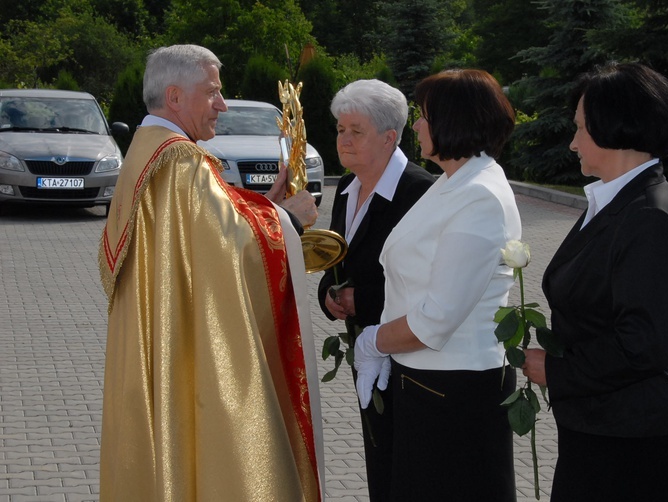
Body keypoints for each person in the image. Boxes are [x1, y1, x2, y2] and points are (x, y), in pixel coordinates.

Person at [97, 44, 323, 501]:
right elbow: (227, 251)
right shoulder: (180, 161)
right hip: (188, 353)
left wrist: (268, 209)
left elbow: (205, 237)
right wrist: (291, 222)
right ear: (175, 97)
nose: (222, 104)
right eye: (213, 92)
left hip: (163, 340)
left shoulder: (145, 152)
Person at [523, 62, 668, 502]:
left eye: (581, 128)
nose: (573, 142)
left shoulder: (649, 215)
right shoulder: (617, 199)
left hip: (634, 444)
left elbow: (643, 342)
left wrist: (558, 371)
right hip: (603, 431)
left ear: (614, 125)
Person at [353, 69, 521, 501]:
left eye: (424, 115)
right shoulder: (454, 181)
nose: (418, 125)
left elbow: (436, 320)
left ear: (454, 120)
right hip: (431, 386)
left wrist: (374, 341)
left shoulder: (479, 195)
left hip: (454, 393)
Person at [317, 79, 435, 501]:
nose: (343, 141)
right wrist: (329, 299)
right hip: (365, 353)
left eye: (356, 131)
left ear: (389, 138)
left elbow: (430, 284)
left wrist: (360, 300)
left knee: (409, 469)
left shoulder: (420, 192)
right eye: (339, 130)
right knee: (378, 459)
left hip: (413, 359)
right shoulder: (347, 189)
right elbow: (335, 267)